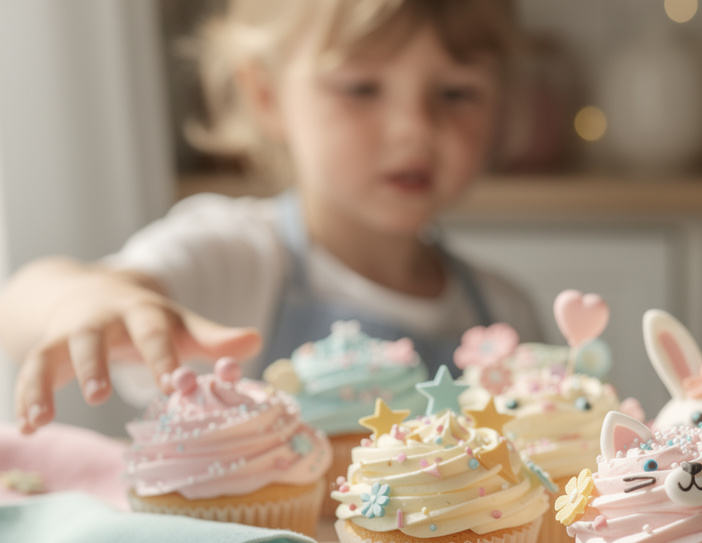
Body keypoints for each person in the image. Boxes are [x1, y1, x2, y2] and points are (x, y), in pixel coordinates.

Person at [0, 0, 542, 435]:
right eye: (361, 88)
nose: (415, 127)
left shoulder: (506, 311)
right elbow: (20, 301)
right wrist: (85, 302)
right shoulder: (233, 257)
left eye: (456, 93)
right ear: (266, 96)